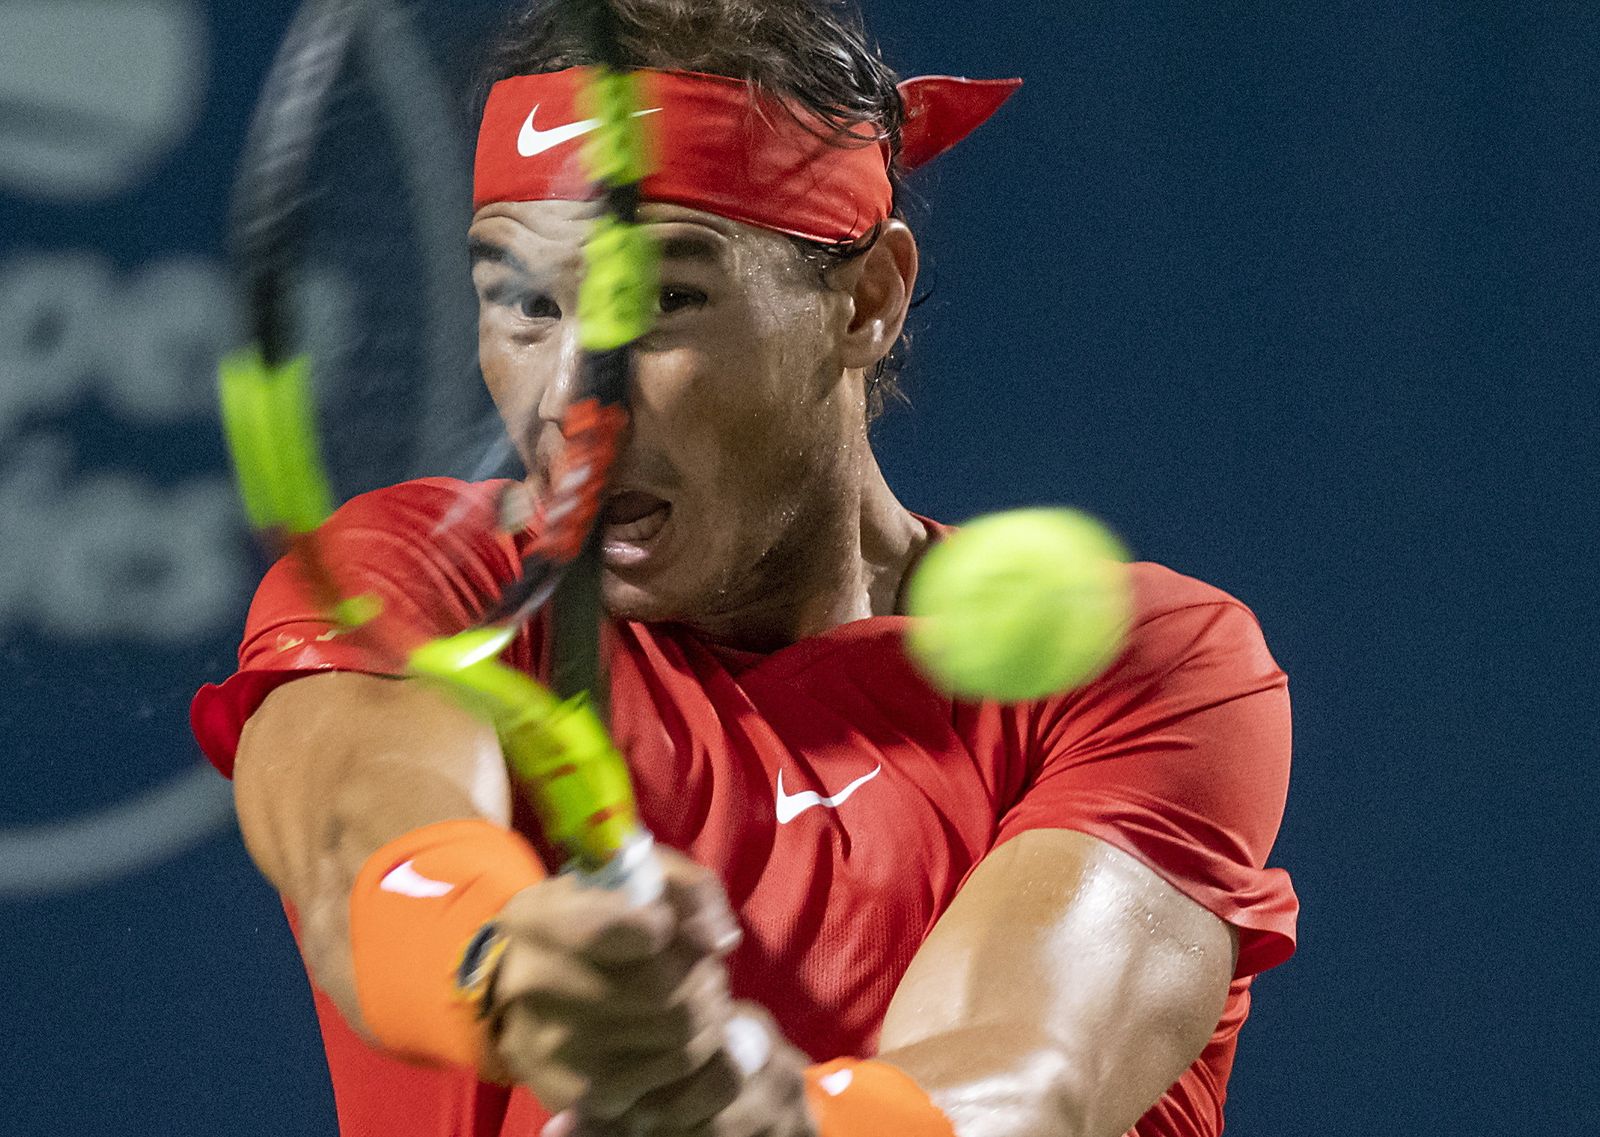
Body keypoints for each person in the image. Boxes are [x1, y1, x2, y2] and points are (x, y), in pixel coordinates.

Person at [192, 2, 1298, 1135]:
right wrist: (508, 962)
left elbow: (1036, 1072)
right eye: (524, 303)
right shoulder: (422, 577)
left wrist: (785, 1125)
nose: (574, 398)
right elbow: (356, 850)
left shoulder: (1148, 663)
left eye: (665, 300)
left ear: (866, 299)